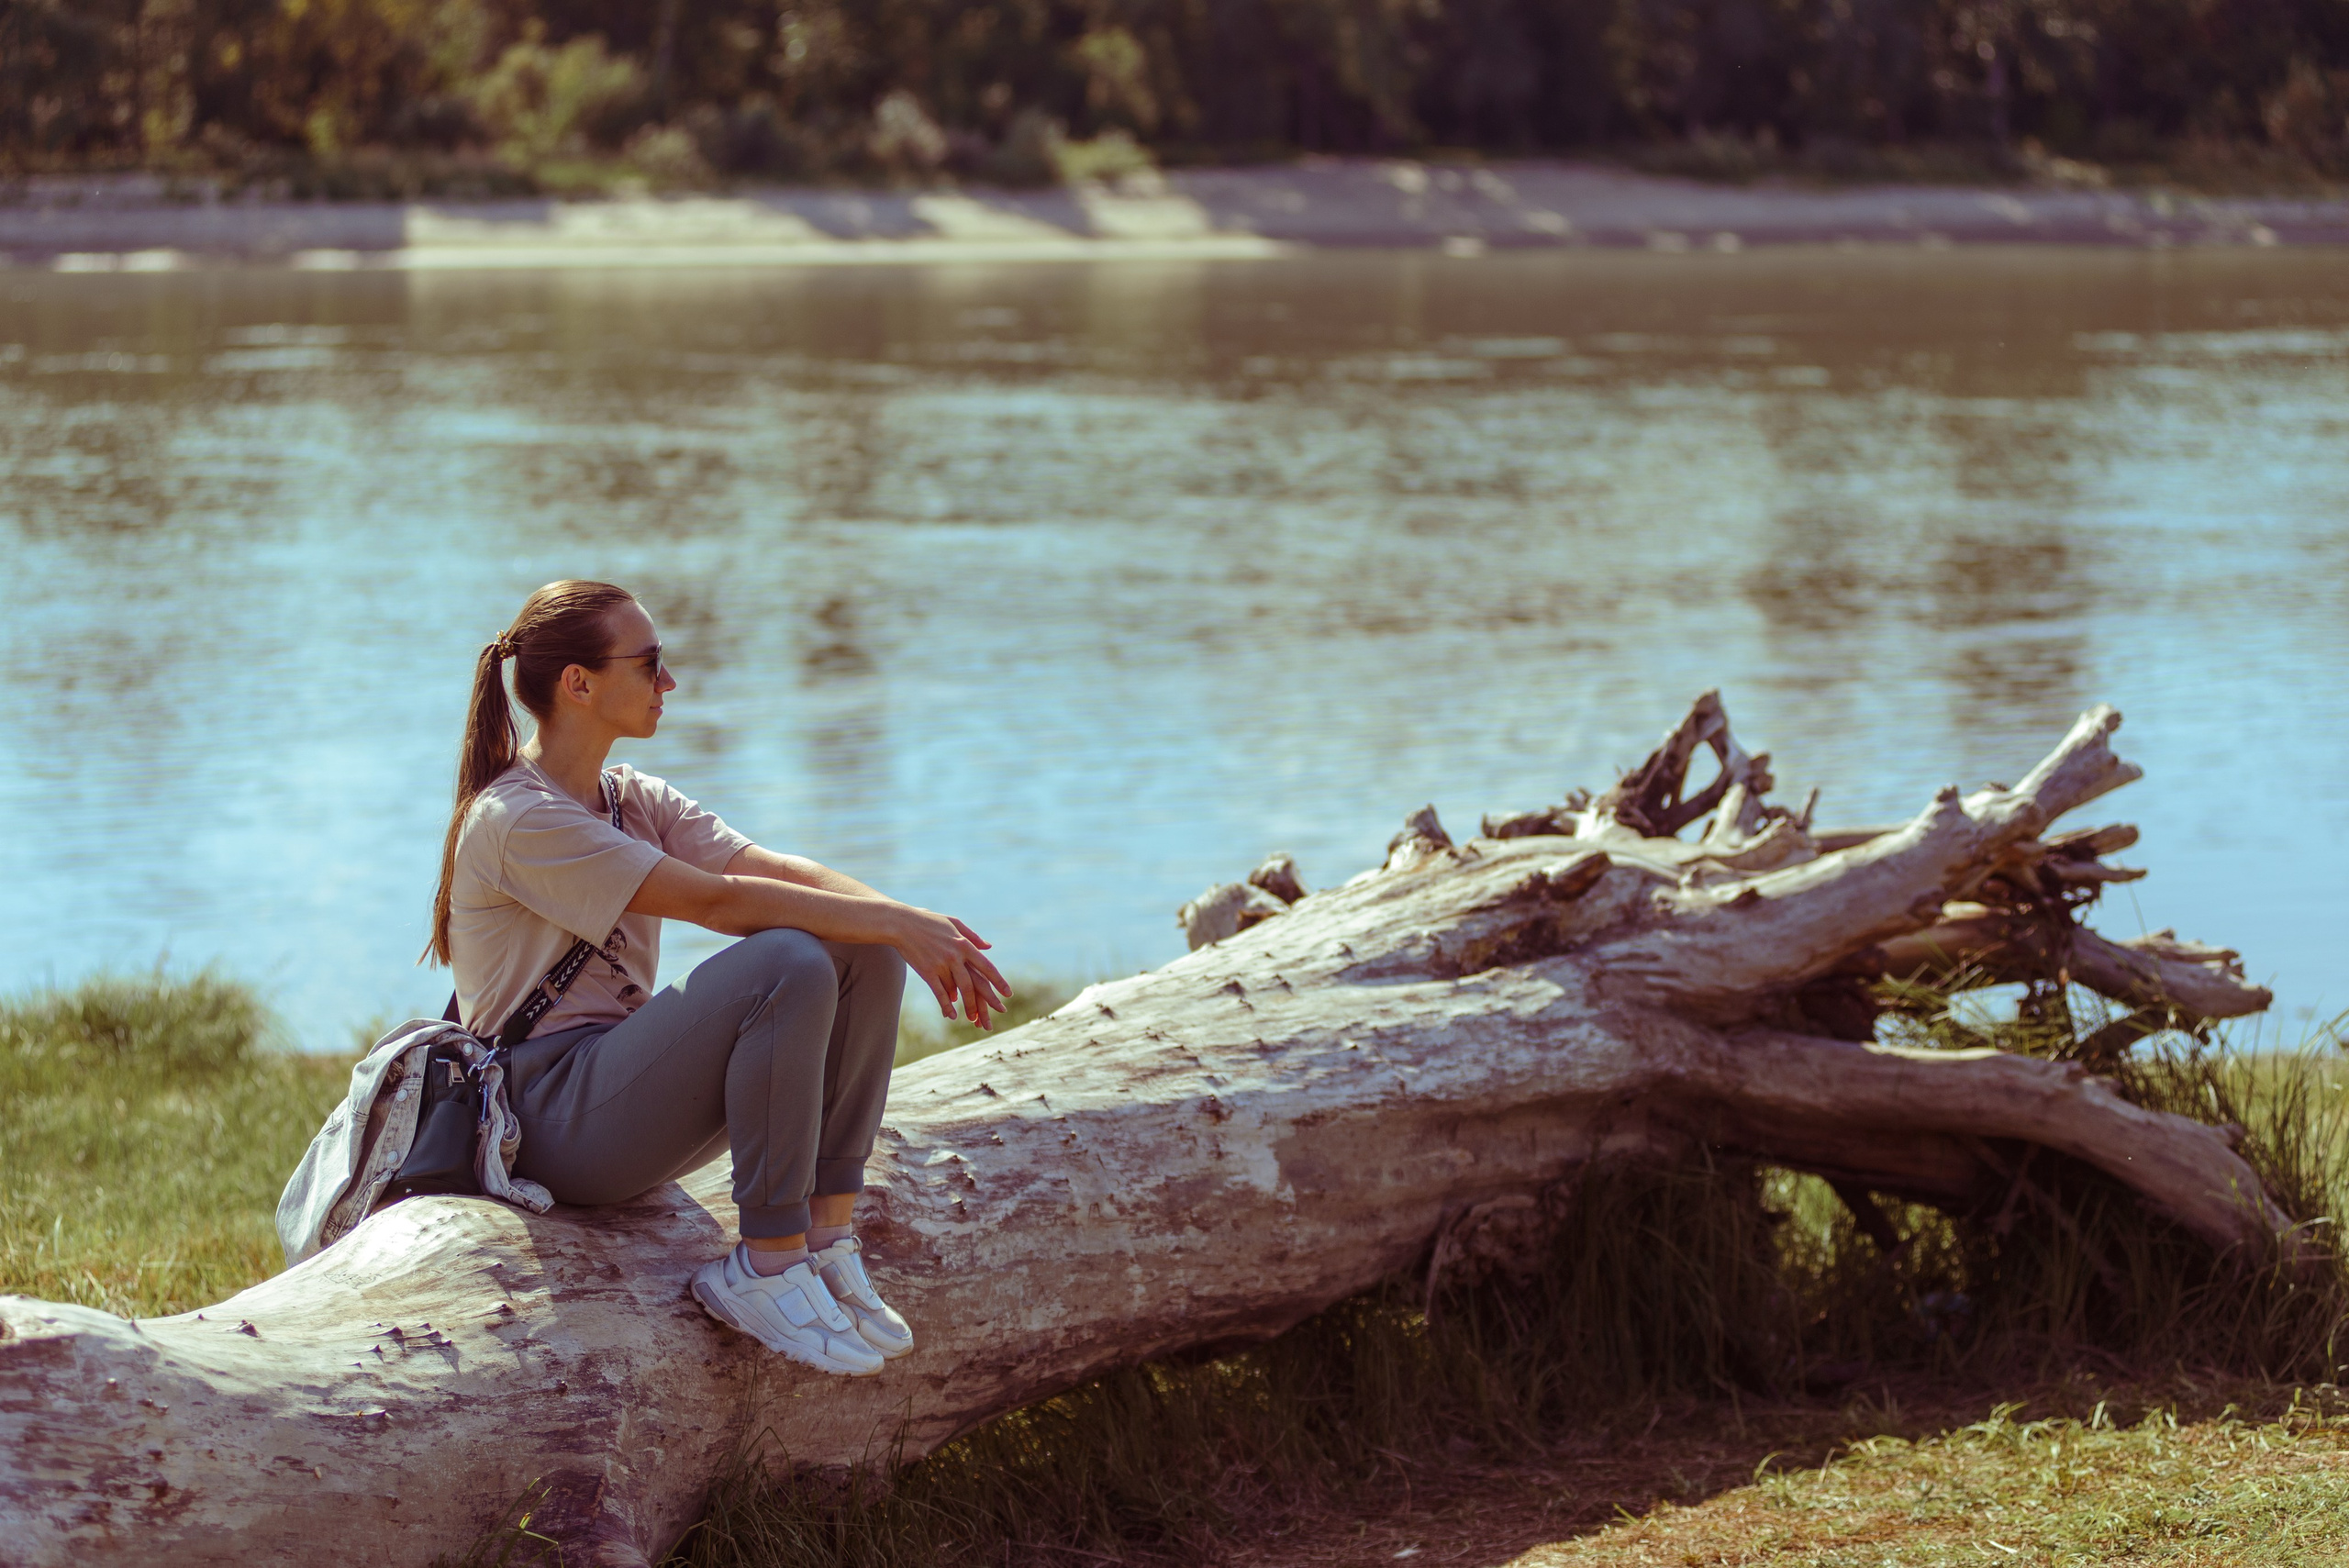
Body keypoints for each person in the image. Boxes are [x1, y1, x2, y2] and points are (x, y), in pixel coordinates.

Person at [426, 579, 1008, 1377]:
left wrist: (905, 924)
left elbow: (770, 868)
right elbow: (716, 901)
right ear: (579, 683)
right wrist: (896, 923)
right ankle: (764, 1267)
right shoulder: (518, 818)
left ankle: (826, 1235)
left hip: (619, 1093)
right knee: (787, 960)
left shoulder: (630, 797)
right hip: (546, 1120)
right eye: (652, 662)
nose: (670, 683)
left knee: (857, 949)